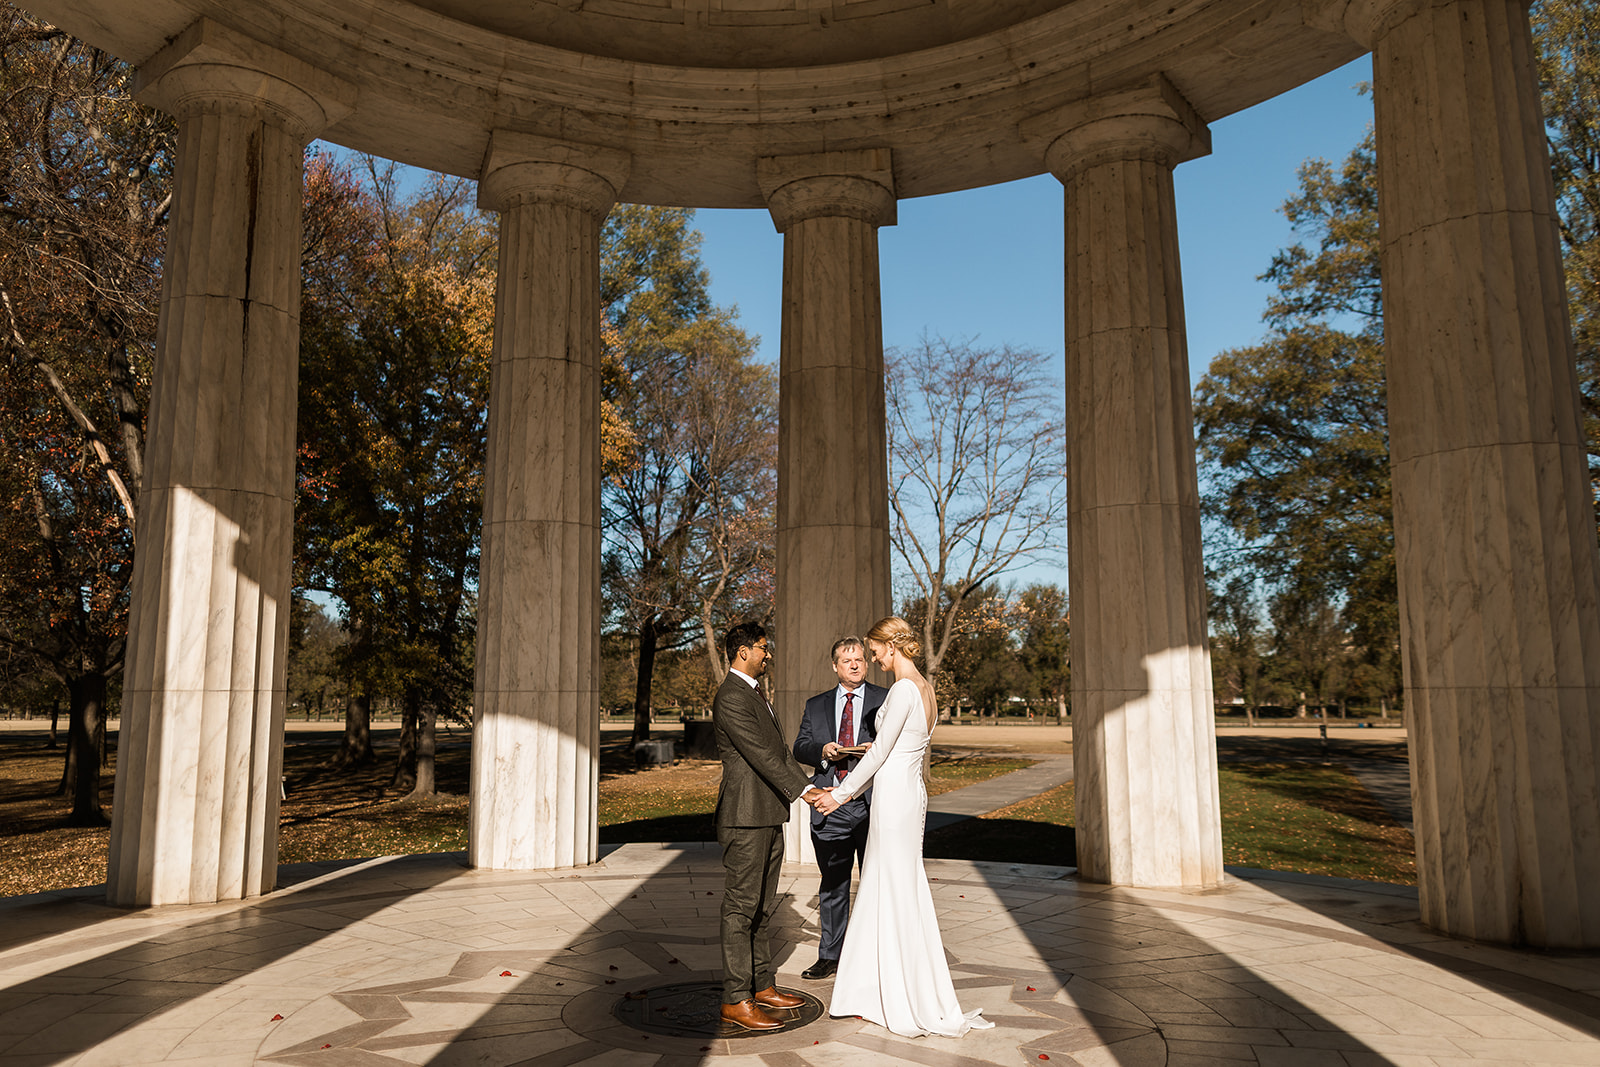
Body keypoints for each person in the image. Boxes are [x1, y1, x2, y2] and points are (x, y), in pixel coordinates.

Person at [812, 616, 994, 1038]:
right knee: (898, 888)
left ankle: (885, 993)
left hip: (894, 800)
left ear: (891, 646)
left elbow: (877, 759)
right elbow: (899, 746)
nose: (872, 657)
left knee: (887, 887)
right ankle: (887, 986)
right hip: (910, 794)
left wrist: (838, 796)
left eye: (875, 649)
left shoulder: (902, 689)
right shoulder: (926, 691)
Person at [712, 621, 824, 1031]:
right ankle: (736, 998)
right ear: (743, 651)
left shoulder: (755, 693)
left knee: (760, 905)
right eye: (762, 648)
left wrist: (803, 784)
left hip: (766, 811)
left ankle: (761, 986)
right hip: (744, 816)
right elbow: (761, 754)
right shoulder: (731, 696)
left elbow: (776, 751)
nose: (768, 654)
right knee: (741, 907)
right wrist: (805, 791)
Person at [792, 636, 887, 980]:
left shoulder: (884, 698)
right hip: (830, 804)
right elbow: (799, 748)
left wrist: (873, 748)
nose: (855, 665)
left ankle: (876, 955)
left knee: (878, 882)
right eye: (847, 661)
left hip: (872, 802)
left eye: (860, 659)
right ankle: (830, 955)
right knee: (833, 883)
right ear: (835, 666)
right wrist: (823, 750)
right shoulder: (816, 705)